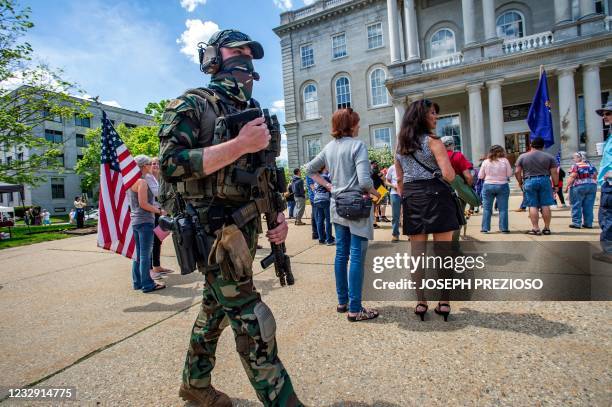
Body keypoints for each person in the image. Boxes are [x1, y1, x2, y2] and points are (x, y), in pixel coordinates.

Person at [158, 29, 301, 406]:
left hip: (245, 229)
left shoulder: (257, 116)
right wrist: (238, 145)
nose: (244, 58)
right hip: (214, 233)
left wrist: (278, 218)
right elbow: (170, 165)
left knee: (213, 313)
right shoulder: (192, 104)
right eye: (235, 50)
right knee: (254, 322)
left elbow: (267, 174)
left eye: (249, 54)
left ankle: (195, 384)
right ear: (212, 58)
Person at [306, 107, 380, 322]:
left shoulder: (329, 148)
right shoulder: (358, 146)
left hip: (337, 204)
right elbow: (365, 181)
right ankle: (355, 309)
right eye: (356, 122)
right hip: (357, 204)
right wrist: (376, 194)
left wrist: (329, 186)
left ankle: (343, 301)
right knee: (356, 256)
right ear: (350, 125)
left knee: (341, 254)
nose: (358, 126)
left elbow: (310, 169)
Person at [395, 99, 457, 322]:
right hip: (437, 196)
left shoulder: (401, 146)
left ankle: (421, 302)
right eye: (432, 113)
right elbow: (449, 175)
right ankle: (444, 302)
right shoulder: (433, 142)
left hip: (412, 197)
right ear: (421, 116)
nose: (435, 117)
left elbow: (400, 179)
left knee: (417, 255)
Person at [128, 155, 166, 293]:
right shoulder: (142, 182)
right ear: (144, 166)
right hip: (144, 221)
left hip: (135, 221)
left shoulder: (131, 181)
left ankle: (137, 282)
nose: (152, 166)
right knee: (145, 254)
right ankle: (147, 284)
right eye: (150, 163)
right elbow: (144, 204)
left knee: (138, 254)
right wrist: (159, 211)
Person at [514, 137, 559, 235]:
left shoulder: (523, 156)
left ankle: (535, 228)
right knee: (545, 205)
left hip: (529, 180)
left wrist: (520, 182)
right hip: (545, 179)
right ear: (543, 146)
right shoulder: (550, 157)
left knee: (532, 205)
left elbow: (517, 171)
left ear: (531, 145)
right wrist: (556, 185)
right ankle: (547, 228)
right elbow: (554, 172)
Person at [441, 135, 473, 244]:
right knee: (457, 218)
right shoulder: (458, 156)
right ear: (452, 145)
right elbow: (468, 176)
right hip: (457, 192)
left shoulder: (437, 159)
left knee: (443, 218)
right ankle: (454, 244)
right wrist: (468, 187)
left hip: (441, 192)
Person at [147, 157, 174, 280]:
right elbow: (159, 194)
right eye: (153, 163)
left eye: (157, 163)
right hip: (151, 213)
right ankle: (150, 269)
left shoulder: (159, 179)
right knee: (151, 241)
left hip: (160, 213)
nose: (155, 165)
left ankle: (157, 266)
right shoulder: (147, 178)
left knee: (158, 240)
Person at [593, 100, 612, 263]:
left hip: (611, 184)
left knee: (607, 218)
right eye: (604, 114)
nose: (605, 117)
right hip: (607, 184)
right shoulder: (610, 136)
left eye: (608, 113)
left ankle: (609, 252)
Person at [478, 145, 513, 233]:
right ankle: (504, 228)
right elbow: (509, 174)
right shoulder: (505, 161)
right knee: (503, 208)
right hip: (502, 185)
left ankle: (485, 228)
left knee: (486, 208)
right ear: (502, 151)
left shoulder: (486, 161)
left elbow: (480, 176)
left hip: (488, 185)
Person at [565, 152, 598, 229]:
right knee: (589, 205)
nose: (573, 159)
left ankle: (576, 223)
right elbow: (595, 175)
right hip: (592, 186)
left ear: (580, 157)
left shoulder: (576, 166)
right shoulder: (591, 165)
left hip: (579, 186)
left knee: (576, 204)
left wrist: (566, 187)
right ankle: (588, 223)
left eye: (575, 157)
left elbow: (572, 177)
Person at [313, 166, 334, 245]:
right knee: (328, 220)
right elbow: (330, 188)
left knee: (320, 220)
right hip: (325, 199)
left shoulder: (316, 178)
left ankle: (321, 239)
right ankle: (329, 240)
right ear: (324, 169)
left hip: (317, 199)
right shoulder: (325, 177)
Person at [385, 163, 401, 242]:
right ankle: (395, 234)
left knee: (408, 215)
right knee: (395, 215)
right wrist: (393, 186)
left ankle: (410, 234)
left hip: (407, 193)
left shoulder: (407, 165)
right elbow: (386, 182)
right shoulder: (392, 168)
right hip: (395, 194)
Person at [305, 173, 319, 239]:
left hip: (314, 197)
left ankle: (316, 233)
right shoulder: (310, 173)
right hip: (315, 198)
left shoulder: (310, 173)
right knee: (317, 216)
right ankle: (317, 233)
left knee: (315, 215)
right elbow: (312, 187)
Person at [370, 160, 384, 228]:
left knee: (375, 207)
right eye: (375, 164)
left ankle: (375, 221)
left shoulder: (371, 170)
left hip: (376, 190)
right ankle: (374, 223)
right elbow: (383, 178)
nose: (376, 165)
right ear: (372, 164)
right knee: (374, 207)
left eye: (376, 163)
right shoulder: (375, 170)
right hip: (378, 190)